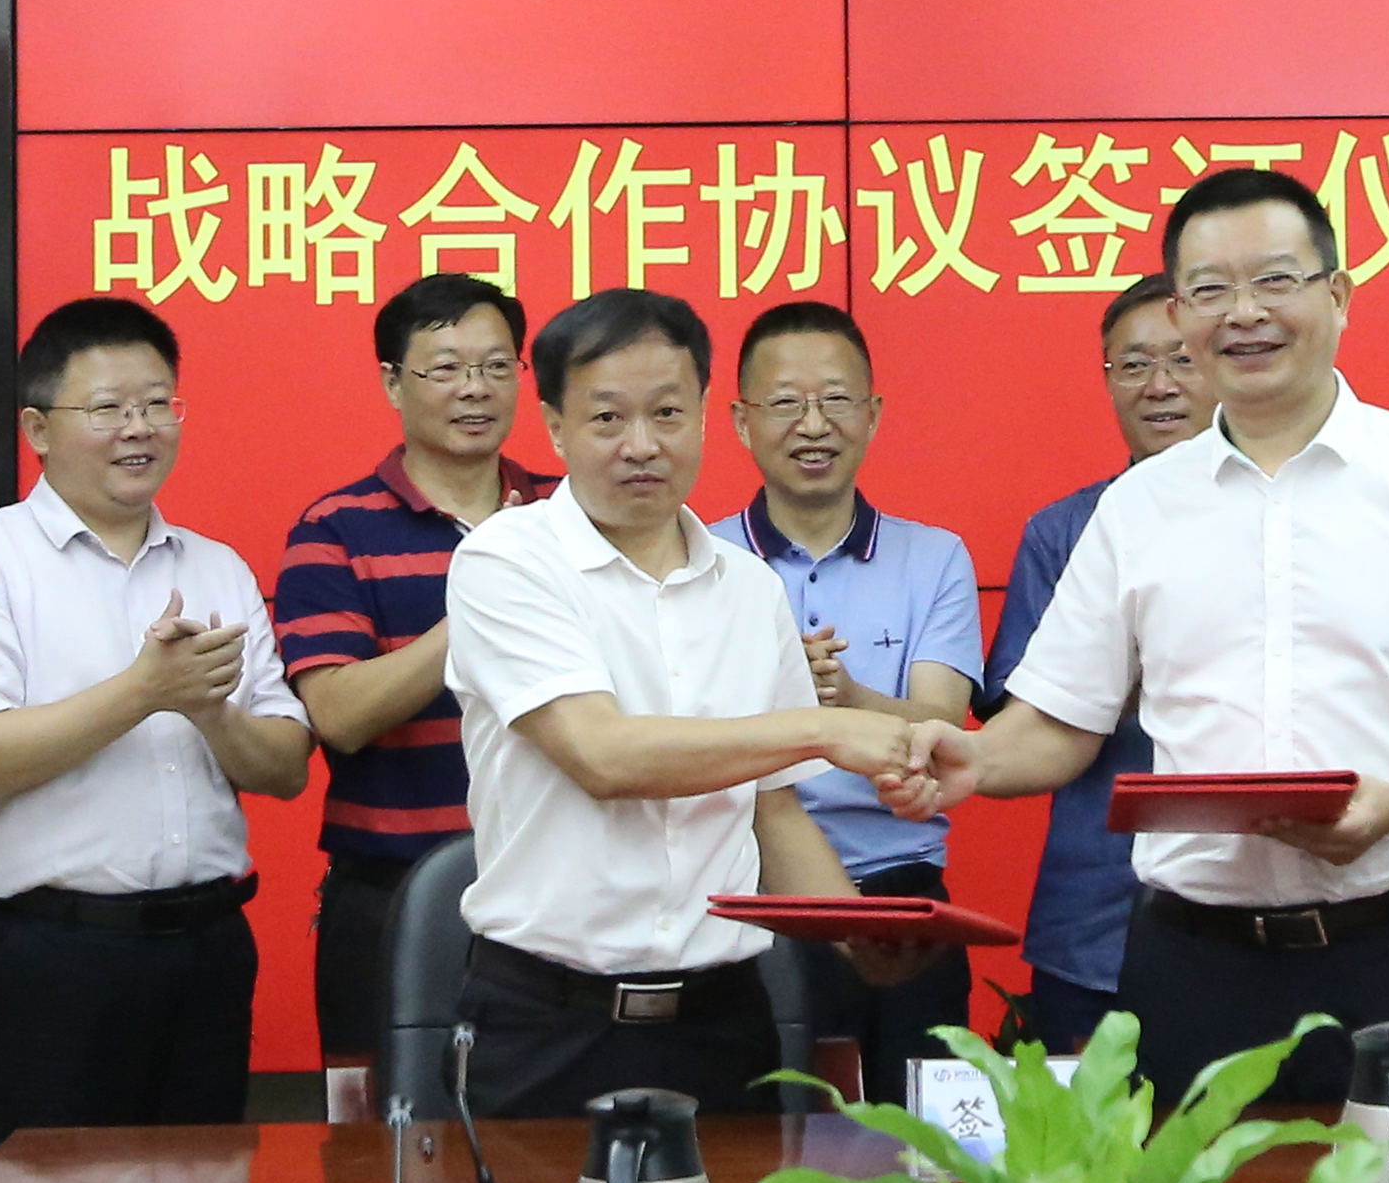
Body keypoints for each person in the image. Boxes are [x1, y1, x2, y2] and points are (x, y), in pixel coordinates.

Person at [921, 170, 1389, 1106]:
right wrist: (971, 761)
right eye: (1209, 289)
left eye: (1274, 280)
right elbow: (1059, 723)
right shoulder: (1137, 507)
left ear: (1337, 295)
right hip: (1197, 966)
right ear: (1179, 313)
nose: (1243, 313)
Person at [441, 289, 931, 1118]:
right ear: (555, 427)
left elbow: (771, 809)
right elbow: (602, 755)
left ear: (704, 415)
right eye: (607, 418)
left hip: (723, 1020)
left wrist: (856, 935)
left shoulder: (749, 587)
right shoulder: (505, 561)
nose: (642, 444)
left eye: (667, 412)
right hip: (545, 1023)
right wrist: (823, 727)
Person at [0, 297, 309, 1145]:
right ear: (37, 428)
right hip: (47, 959)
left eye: (157, 403)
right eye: (107, 408)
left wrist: (207, 709)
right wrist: (143, 690)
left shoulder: (217, 566)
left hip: (205, 950)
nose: (139, 428)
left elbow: (284, 765)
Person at [271, 273, 555, 1063]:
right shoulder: (334, 530)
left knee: (549, 1126)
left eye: (496, 366)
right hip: (394, 896)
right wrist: (483, 599)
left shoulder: (570, 515)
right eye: (446, 368)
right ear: (393, 382)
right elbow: (339, 714)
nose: (475, 388)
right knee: (386, 1132)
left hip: (560, 891)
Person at [712, 300, 985, 1102]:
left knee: (927, 1142)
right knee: (766, 1138)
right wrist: (785, 696)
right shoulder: (701, 558)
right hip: (751, 889)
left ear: (872, 413)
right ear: (741, 421)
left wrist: (848, 698)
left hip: (900, 887)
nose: (812, 424)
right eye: (784, 402)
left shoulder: (933, 557)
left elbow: (943, 722)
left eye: (835, 399)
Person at [985, 277, 1206, 1052]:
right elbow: (1020, 710)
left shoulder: (1285, 519)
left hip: (1245, 902)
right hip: (1093, 909)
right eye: (1133, 364)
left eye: (1180, 359)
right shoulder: (1061, 531)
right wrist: (1123, 673)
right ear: (1107, 379)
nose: (1159, 384)